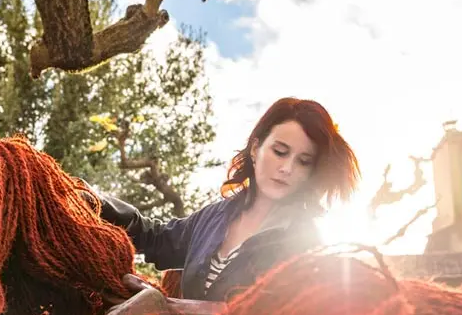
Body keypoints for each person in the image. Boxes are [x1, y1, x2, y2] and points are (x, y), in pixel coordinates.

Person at [88, 97, 361, 302]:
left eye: (303, 162)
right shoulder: (214, 217)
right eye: (280, 151)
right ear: (256, 149)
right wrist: (93, 202)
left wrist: (166, 305)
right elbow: (156, 238)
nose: (287, 168)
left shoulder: (306, 242)